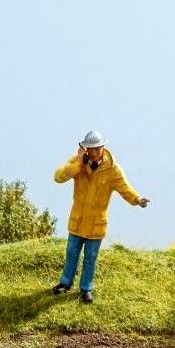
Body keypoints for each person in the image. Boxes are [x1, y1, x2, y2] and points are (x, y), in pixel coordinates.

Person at [50, 130, 150, 304]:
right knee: (71, 252)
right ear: (85, 149)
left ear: (103, 147)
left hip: (96, 223)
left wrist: (137, 199)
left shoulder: (112, 169)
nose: (94, 152)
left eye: (97, 148)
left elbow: (124, 188)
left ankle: (86, 288)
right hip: (78, 220)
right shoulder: (77, 163)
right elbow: (58, 177)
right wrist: (78, 164)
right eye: (91, 149)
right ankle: (65, 283)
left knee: (91, 257)